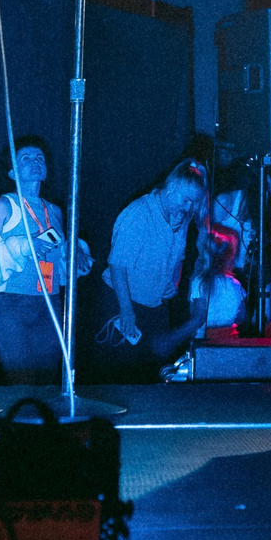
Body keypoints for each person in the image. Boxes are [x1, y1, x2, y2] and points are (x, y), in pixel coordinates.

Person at [0, 136, 85, 384]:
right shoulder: (2, 206)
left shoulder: (54, 211)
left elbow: (58, 255)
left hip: (49, 303)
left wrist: (74, 253)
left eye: (39, 158)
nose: (35, 162)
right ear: (12, 171)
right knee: (21, 381)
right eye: (26, 158)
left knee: (46, 382)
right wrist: (23, 245)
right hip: (9, 304)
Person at [89, 158, 211, 378]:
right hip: (122, 303)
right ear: (172, 187)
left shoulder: (180, 218)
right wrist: (126, 310)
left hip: (154, 307)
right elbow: (117, 266)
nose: (188, 207)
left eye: (193, 203)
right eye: (186, 200)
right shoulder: (138, 214)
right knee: (119, 374)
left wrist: (174, 281)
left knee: (150, 374)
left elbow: (180, 257)